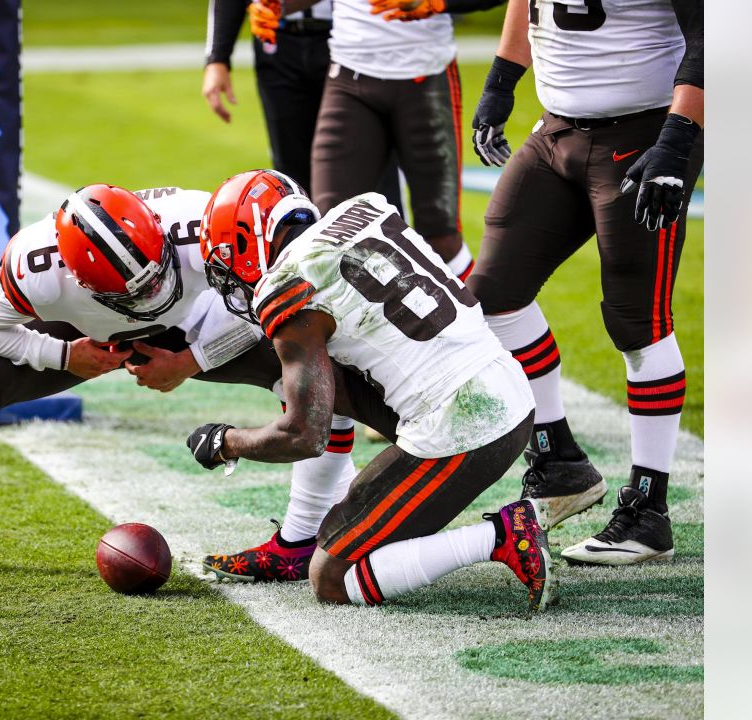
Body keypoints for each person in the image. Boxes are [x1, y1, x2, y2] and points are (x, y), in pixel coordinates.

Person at [0, 183, 359, 577]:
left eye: (153, 278)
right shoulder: (40, 269)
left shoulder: (200, 222)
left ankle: (300, 536)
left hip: (195, 313)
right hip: (84, 324)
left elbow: (266, 298)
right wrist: (62, 354)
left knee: (318, 384)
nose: (150, 295)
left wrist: (191, 360)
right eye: (138, 290)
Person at [189, 169, 553, 611]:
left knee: (330, 578)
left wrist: (227, 442)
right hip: (508, 389)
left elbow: (304, 434)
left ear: (249, 242)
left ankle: (500, 536)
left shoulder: (286, 285)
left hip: (463, 424)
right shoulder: (364, 208)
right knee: (342, 526)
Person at [456, 0, 704, 565]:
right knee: (491, 300)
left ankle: (648, 511)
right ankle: (558, 461)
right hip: (555, 133)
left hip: (646, 134)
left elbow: (712, 36)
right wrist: (501, 82)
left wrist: (678, 140)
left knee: (636, 320)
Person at [248, 0, 474, 278]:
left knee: (441, 239)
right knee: (328, 232)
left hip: (423, 76)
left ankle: (485, 319)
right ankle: (375, 318)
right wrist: (280, 6)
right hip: (349, 76)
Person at [203, 0, 404, 210]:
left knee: (368, 150)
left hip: (347, 37)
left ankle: (389, 236)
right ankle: (303, 238)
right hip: (277, 41)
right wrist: (217, 58)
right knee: (291, 173)